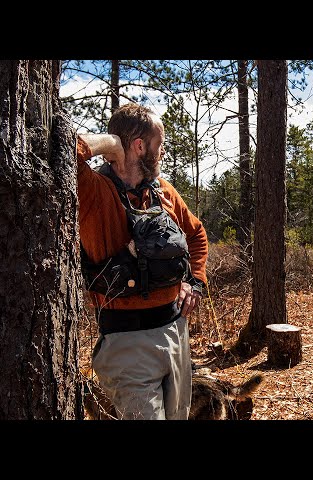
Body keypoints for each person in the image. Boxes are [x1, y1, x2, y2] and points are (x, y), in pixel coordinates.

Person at [76, 102, 208, 420]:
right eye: (158, 145)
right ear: (139, 146)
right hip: (126, 345)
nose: (161, 153)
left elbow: (196, 234)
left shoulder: (163, 191)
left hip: (175, 334)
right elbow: (64, 151)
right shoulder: (95, 191)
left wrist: (196, 281)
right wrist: (109, 144)